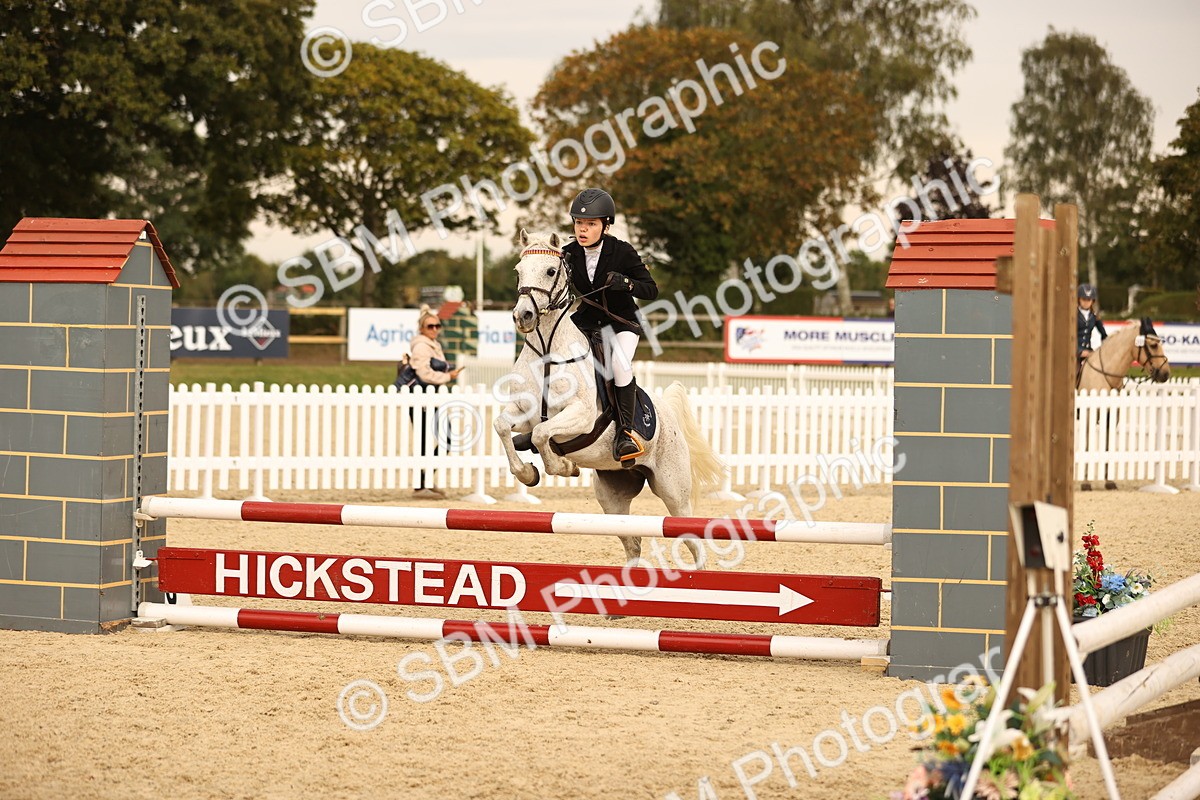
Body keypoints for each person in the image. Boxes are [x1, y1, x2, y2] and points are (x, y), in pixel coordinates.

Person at [562, 188, 657, 465]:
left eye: (590, 224)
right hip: (587, 323)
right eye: (579, 223)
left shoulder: (622, 252)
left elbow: (651, 290)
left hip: (621, 323)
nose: (583, 229)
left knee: (618, 366)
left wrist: (626, 284)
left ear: (605, 226)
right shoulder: (568, 254)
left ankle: (625, 434)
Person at [397, 307, 463, 498]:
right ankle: (421, 483)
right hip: (422, 399)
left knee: (437, 439)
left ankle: (423, 480)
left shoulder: (432, 344)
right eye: (430, 326)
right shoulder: (421, 346)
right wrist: (447, 376)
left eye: (437, 325)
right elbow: (423, 373)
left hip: (430, 398)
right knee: (431, 440)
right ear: (422, 328)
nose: (434, 329)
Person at [1077, 283, 1108, 362]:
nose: (1086, 302)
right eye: (1083, 299)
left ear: (1092, 301)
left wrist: (1106, 348)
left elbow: (1104, 335)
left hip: (1088, 351)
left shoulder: (1094, 317)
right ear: (1079, 299)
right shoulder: (1073, 316)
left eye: (1089, 300)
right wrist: (1078, 351)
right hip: (1074, 353)